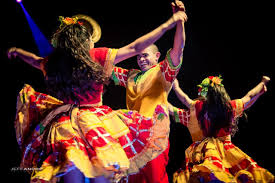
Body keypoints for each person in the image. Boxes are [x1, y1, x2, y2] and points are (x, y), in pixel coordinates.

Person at [7, 10, 186, 183]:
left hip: (65, 122)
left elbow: (36, 60)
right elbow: (135, 47)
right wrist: (169, 24)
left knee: (72, 162)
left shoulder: (57, 62)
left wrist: (18, 52)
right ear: (85, 40)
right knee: (103, 165)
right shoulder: (96, 56)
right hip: (95, 120)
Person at [111, 1, 187, 182]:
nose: (141, 59)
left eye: (145, 55)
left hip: (154, 135)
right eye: (138, 56)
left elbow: (179, 49)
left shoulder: (163, 72)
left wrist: (179, 22)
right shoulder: (130, 75)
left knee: (154, 177)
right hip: (132, 136)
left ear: (157, 56)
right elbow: (106, 66)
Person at [169, 76, 274, 182]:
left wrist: (175, 86)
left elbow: (183, 99)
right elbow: (249, 98)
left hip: (201, 153)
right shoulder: (228, 107)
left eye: (201, 91)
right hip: (226, 152)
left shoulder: (198, 107)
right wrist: (262, 84)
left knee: (206, 175)